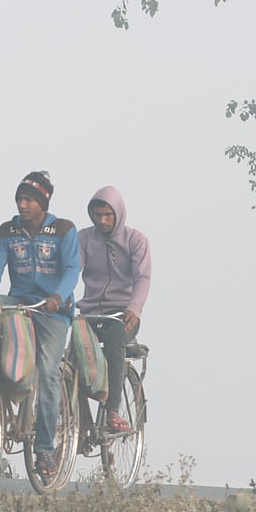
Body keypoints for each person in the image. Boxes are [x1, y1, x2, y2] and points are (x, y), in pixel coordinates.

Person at [0, 171, 80, 481]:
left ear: (43, 202)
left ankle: (44, 450)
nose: (23, 205)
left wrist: (58, 296)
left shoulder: (64, 230)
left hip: (53, 311)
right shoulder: (7, 231)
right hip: (19, 302)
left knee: (48, 372)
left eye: (29, 200)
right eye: (19, 199)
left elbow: (72, 270)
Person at [77, 185, 152, 432]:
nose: (102, 220)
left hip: (123, 314)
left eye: (108, 215)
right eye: (97, 215)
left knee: (114, 340)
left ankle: (112, 411)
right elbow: (72, 269)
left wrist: (134, 307)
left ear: (118, 213)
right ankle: (79, 416)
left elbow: (142, 278)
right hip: (90, 312)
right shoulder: (84, 238)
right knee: (71, 353)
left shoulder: (136, 240)